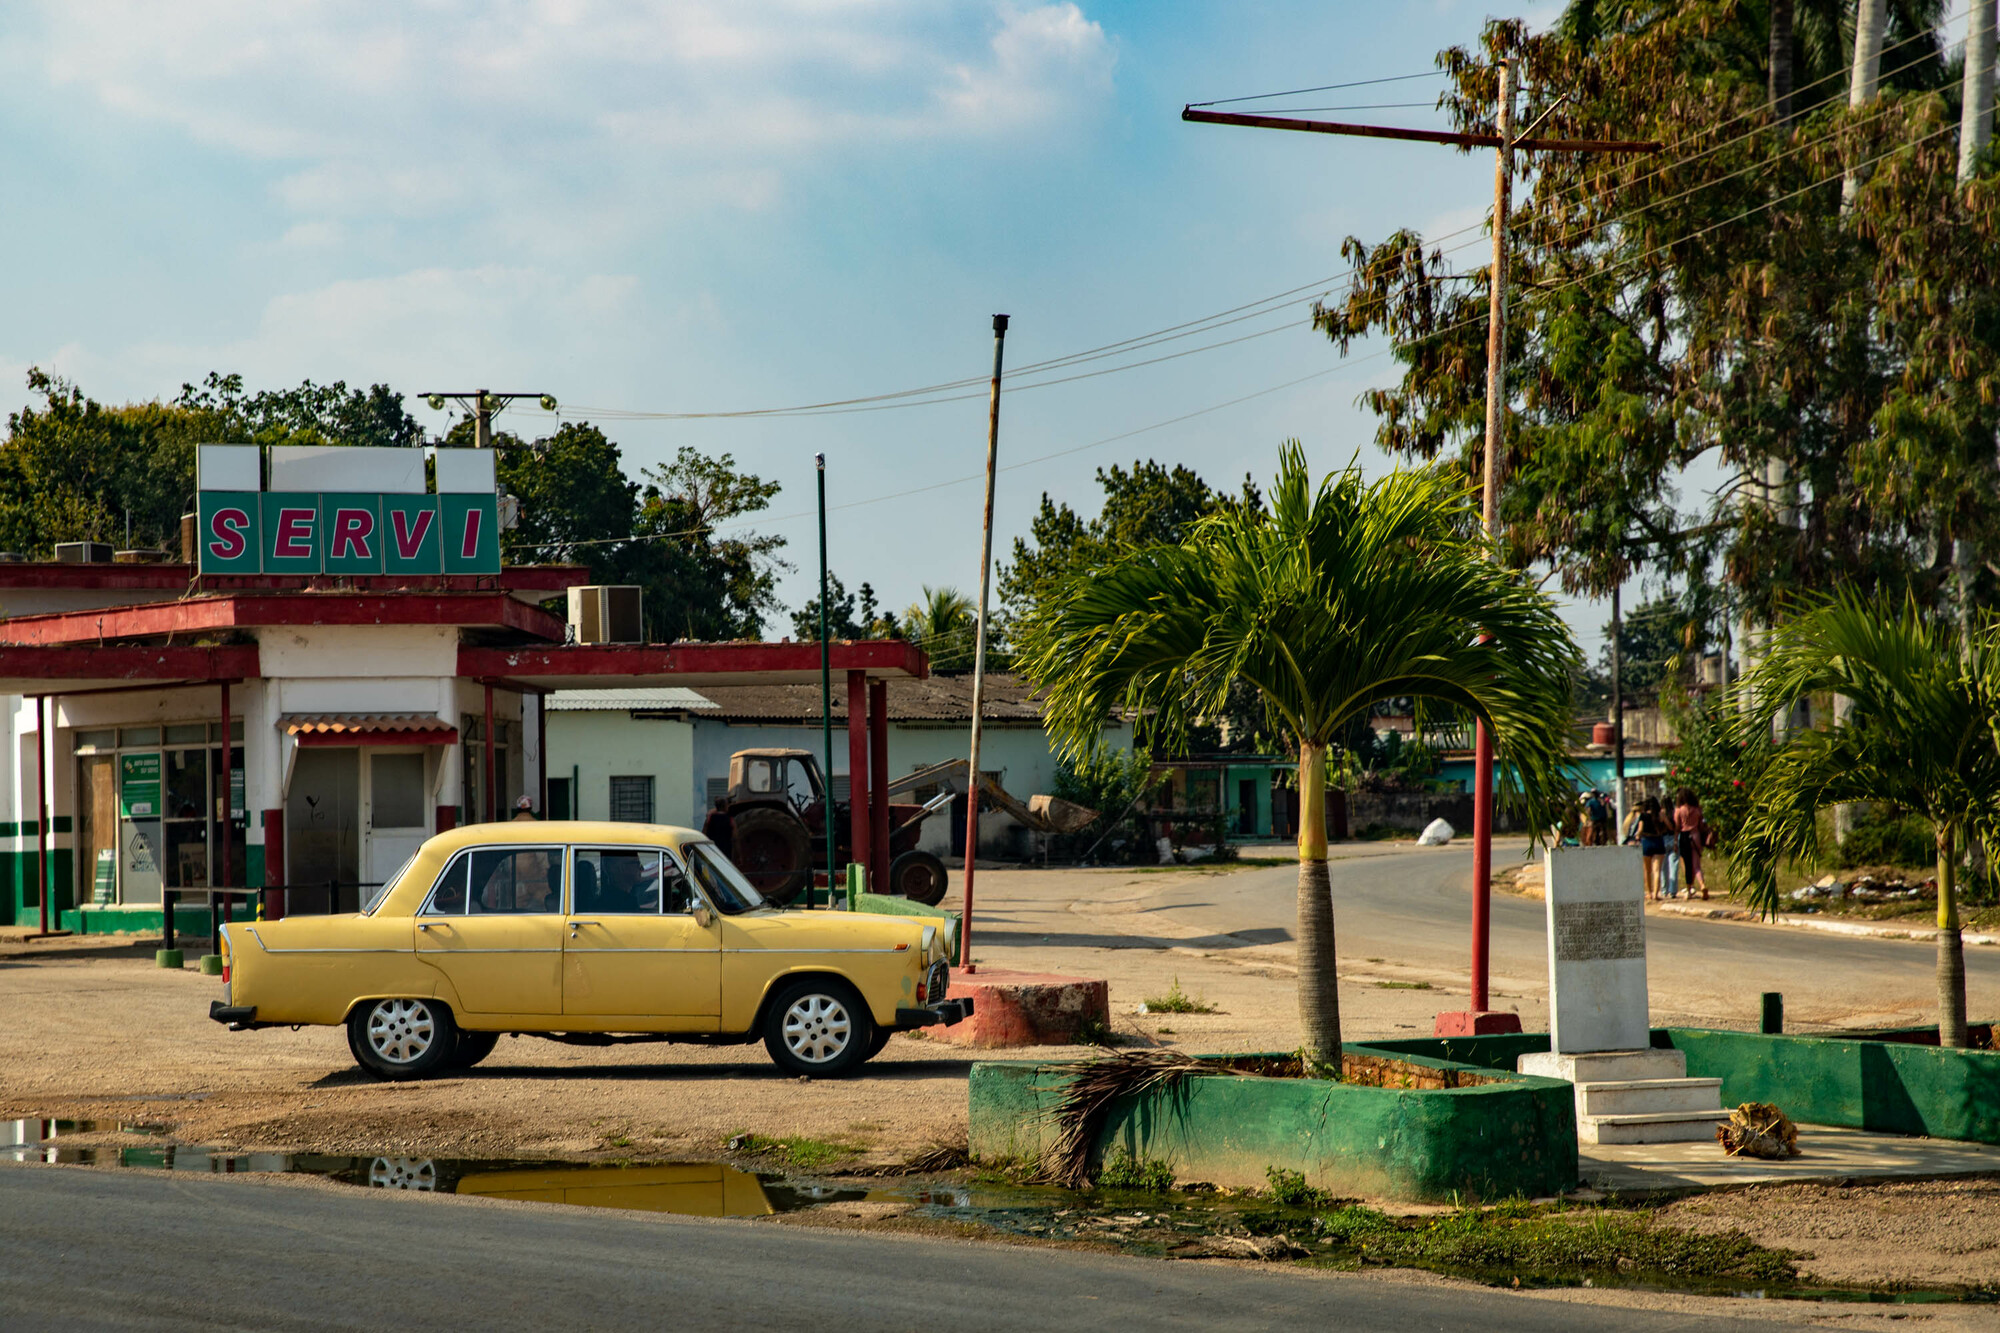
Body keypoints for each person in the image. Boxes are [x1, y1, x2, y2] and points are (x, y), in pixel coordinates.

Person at [1624, 794, 1673, 902]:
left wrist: (1636, 836)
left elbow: (1640, 829)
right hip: (1658, 841)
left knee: (1647, 870)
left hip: (1646, 842)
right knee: (1657, 871)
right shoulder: (1661, 814)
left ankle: (1649, 893)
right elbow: (1670, 827)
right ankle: (1656, 894)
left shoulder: (1643, 816)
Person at [1673, 787, 1711, 901]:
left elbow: (1677, 827)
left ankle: (1689, 890)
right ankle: (1702, 884)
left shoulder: (1679, 810)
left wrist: (1675, 841)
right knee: (1696, 865)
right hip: (1695, 836)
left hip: (1684, 836)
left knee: (1687, 865)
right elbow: (1701, 825)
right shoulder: (1697, 810)